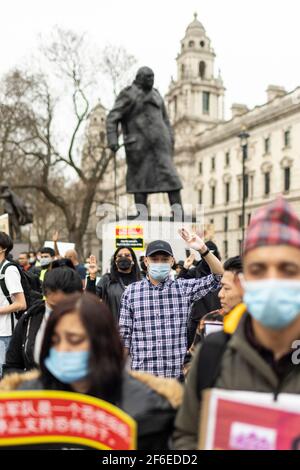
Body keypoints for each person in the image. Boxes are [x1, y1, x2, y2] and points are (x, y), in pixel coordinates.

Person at [174, 197, 300, 450]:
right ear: (245, 281)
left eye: (287, 268)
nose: (272, 279)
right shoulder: (213, 354)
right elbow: (186, 436)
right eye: (259, 269)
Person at [1, 293, 183, 450]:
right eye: (55, 341)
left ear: (103, 343)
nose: (62, 349)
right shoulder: (23, 400)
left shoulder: (149, 408)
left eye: (75, 340)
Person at [119, 230, 224, 380]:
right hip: (142, 377)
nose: (159, 263)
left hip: (175, 377)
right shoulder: (131, 292)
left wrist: (203, 250)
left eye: (164, 259)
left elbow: (219, 277)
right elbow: (124, 336)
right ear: (146, 261)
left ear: (172, 261)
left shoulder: (183, 288)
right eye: (155, 259)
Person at [106, 66, 183, 216]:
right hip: (138, 147)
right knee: (140, 181)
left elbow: (165, 119)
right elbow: (112, 118)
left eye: (153, 77)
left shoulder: (156, 94)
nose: (151, 80)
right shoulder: (128, 94)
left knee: (172, 179)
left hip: (161, 146)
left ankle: (178, 213)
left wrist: (170, 138)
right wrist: (113, 140)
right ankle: (142, 214)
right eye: (148, 77)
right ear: (140, 78)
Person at [3, 267, 83, 376]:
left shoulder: (91, 322)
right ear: (45, 296)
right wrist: (31, 381)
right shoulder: (30, 318)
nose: (58, 313)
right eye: (53, 307)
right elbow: (12, 366)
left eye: (66, 307)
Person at [178, 241, 223, 348]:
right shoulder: (195, 272)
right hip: (197, 320)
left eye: (212, 253)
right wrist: (185, 269)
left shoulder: (222, 271)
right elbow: (178, 287)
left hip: (217, 320)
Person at [86, 248, 141, 321]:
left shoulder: (141, 280)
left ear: (133, 260)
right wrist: (92, 275)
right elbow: (90, 298)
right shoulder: (107, 279)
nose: (123, 257)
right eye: (119, 256)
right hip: (113, 328)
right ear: (115, 261)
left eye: (127, 255)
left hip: (136, 328)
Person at [0, 232, 26, 377]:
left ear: (2, 248)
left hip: (5, 334)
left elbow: (21, 304)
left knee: (3, 377)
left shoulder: (9, 270)